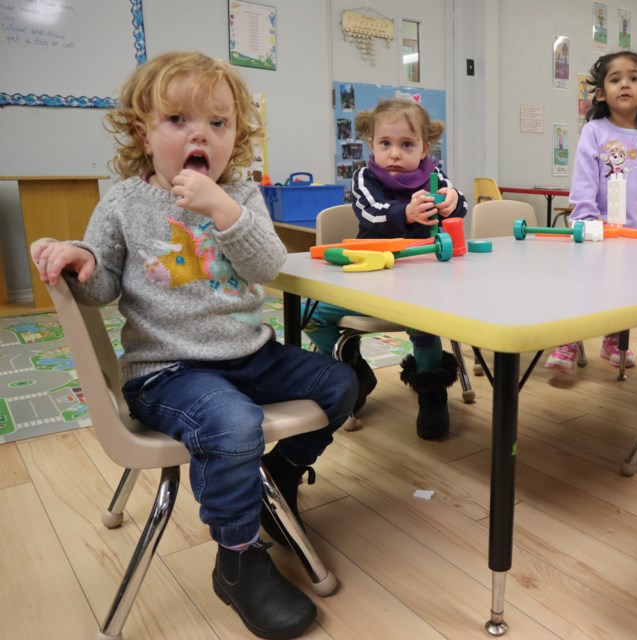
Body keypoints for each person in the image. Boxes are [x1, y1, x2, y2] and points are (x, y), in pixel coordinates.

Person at [30, 51, 358, 640]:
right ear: (143, 132)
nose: (200, 134)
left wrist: (226, 210)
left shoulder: (241, 195)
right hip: (168, 370)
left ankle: (277, 480)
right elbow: (100, 286)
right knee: (233, 426)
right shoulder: (123, 202)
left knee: (339, 383)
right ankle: (238, 558)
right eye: (178, 120)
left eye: (218, 123)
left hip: (249, 353)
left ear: (237, 136)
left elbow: (266, 265)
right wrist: (82, 258)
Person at [302, 98, 467, 440]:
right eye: (385, 144)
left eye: (406, 145)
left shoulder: (435, 177)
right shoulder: (364, 177)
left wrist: (453, 200)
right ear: (371, 145)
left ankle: (432, 390)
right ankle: (355, 368)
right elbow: (372, 212)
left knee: (425, 324)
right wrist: (406, 213)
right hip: (370, 281)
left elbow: (459, 205)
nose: (394, 154)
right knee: (308, 311)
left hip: (421, 284)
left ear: (425, 148)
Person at [546, 50, 637, 374]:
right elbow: (583, 182)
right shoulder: (595, 131)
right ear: (602, 92)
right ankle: (567, 340)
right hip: (598, 232)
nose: (625, 85)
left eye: (633, 78)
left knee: (627, 294)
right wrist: (588, 222)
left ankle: (614, 342)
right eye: (615, 79)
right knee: (584, 288)